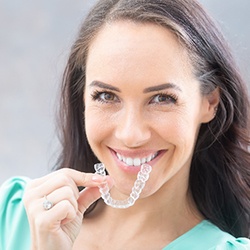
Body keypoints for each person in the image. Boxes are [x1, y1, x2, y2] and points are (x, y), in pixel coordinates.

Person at [0, 0, 249, 249]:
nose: (131, 135)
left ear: (210, 102)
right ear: (83, 99)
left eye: (162, 99)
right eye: (106, 96)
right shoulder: (11, 216)